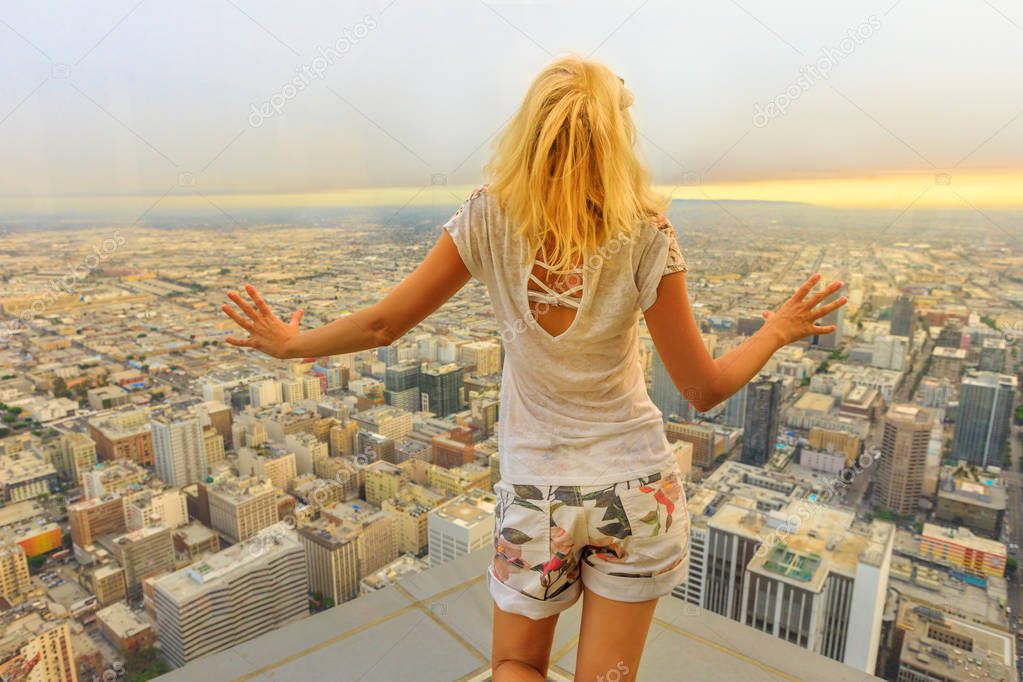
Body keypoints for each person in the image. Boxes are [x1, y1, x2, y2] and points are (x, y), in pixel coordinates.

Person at [221, 54, 847, 682]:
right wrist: (775, 330)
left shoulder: (490, 216)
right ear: (615, 143)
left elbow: (385, 325)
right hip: (638, 491)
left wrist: (291, 345)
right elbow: (702, 389)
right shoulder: (647, 233)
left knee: (516, 664)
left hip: (537, 495)